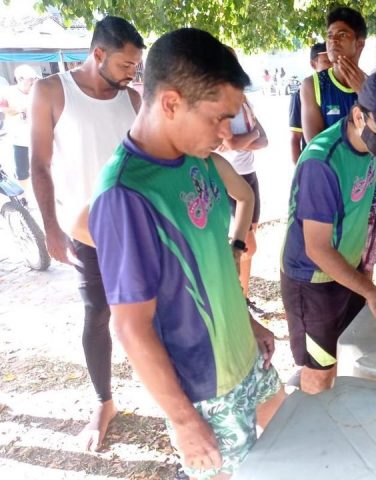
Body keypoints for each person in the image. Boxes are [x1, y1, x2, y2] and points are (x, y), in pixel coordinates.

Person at [88, 28, 283, 479]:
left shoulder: (196, 156)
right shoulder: (126, 196)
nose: (227, 134)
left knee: (297, 450)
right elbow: (130, 327)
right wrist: (184, 421)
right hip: (204, 391)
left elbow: (213, 265)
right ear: (172, 103)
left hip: (247, 360)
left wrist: (249, 322)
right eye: (219, 119)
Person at [30, 16, 144, 451]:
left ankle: (166, 383)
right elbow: (39, 165)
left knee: (147, 308)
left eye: (136, 66)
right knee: (97, 313)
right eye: (125, 64)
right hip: (85, 232)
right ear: (98, 54)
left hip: (134, 227)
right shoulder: (52, 91)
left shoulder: (132, 98)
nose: (132, 73)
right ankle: (103, 401)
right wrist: (51, 228)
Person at [281, 68, 376, 394]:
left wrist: (365, 273)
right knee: (320, 371)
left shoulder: (373, 147)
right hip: (312, 281)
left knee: (348, 354)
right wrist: (372, 293)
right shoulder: (322, 162)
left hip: (348, 272)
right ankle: (311, 420)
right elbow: (317, 248)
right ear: (359, 116)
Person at [216, 57, 269, 310]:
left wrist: (248, 138)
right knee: (246, 245)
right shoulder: (220, 102)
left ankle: (243, 298)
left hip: (249, 174)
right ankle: (233, 299)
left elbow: (264, 140)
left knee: (248, 243)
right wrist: (252, 135)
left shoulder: (243, 100)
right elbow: (231, 143)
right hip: (230, 178)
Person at [299, 6, 366, 143]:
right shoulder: (313, 85)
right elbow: (316, 147)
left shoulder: (374, 85)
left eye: (342, 35)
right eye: (329, 36)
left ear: (359, 43)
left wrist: (366, 94)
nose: (333, 40)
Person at [289, 42, 331, 164]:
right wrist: (299, 171)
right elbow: (295, 138)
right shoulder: (300, 95)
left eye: (334, 61)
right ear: (313, 64)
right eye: (326, 62)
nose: (332, 66)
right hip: (315, 163)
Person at [0, 64, 39, 192]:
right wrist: (20, 110)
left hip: (38, 137)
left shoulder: (37, 91)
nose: (33, 81)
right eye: (30, 79)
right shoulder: (8, 92)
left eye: (34, 78)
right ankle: (25, 197)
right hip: (19, 139)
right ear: (20, 79)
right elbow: (2, 109)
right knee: (22, 171)